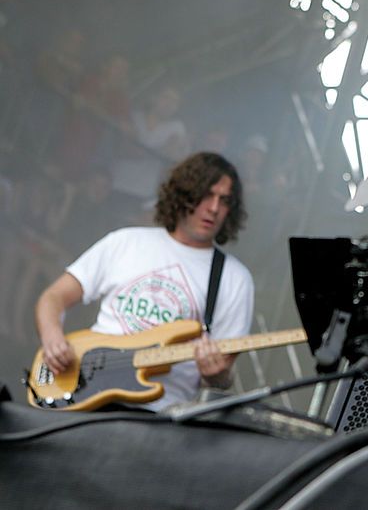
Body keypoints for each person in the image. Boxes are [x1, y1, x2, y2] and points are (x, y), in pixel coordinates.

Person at [35, 152, 254, 410]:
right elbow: (54, 297)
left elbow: (221, 379)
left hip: (160, 414)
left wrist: (216, 374)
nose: (214, 208)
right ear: (183, 194)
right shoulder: (126, 242)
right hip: (84, 394)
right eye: (206, 195)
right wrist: (52, 337)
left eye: (224, 201)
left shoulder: (234, 279)